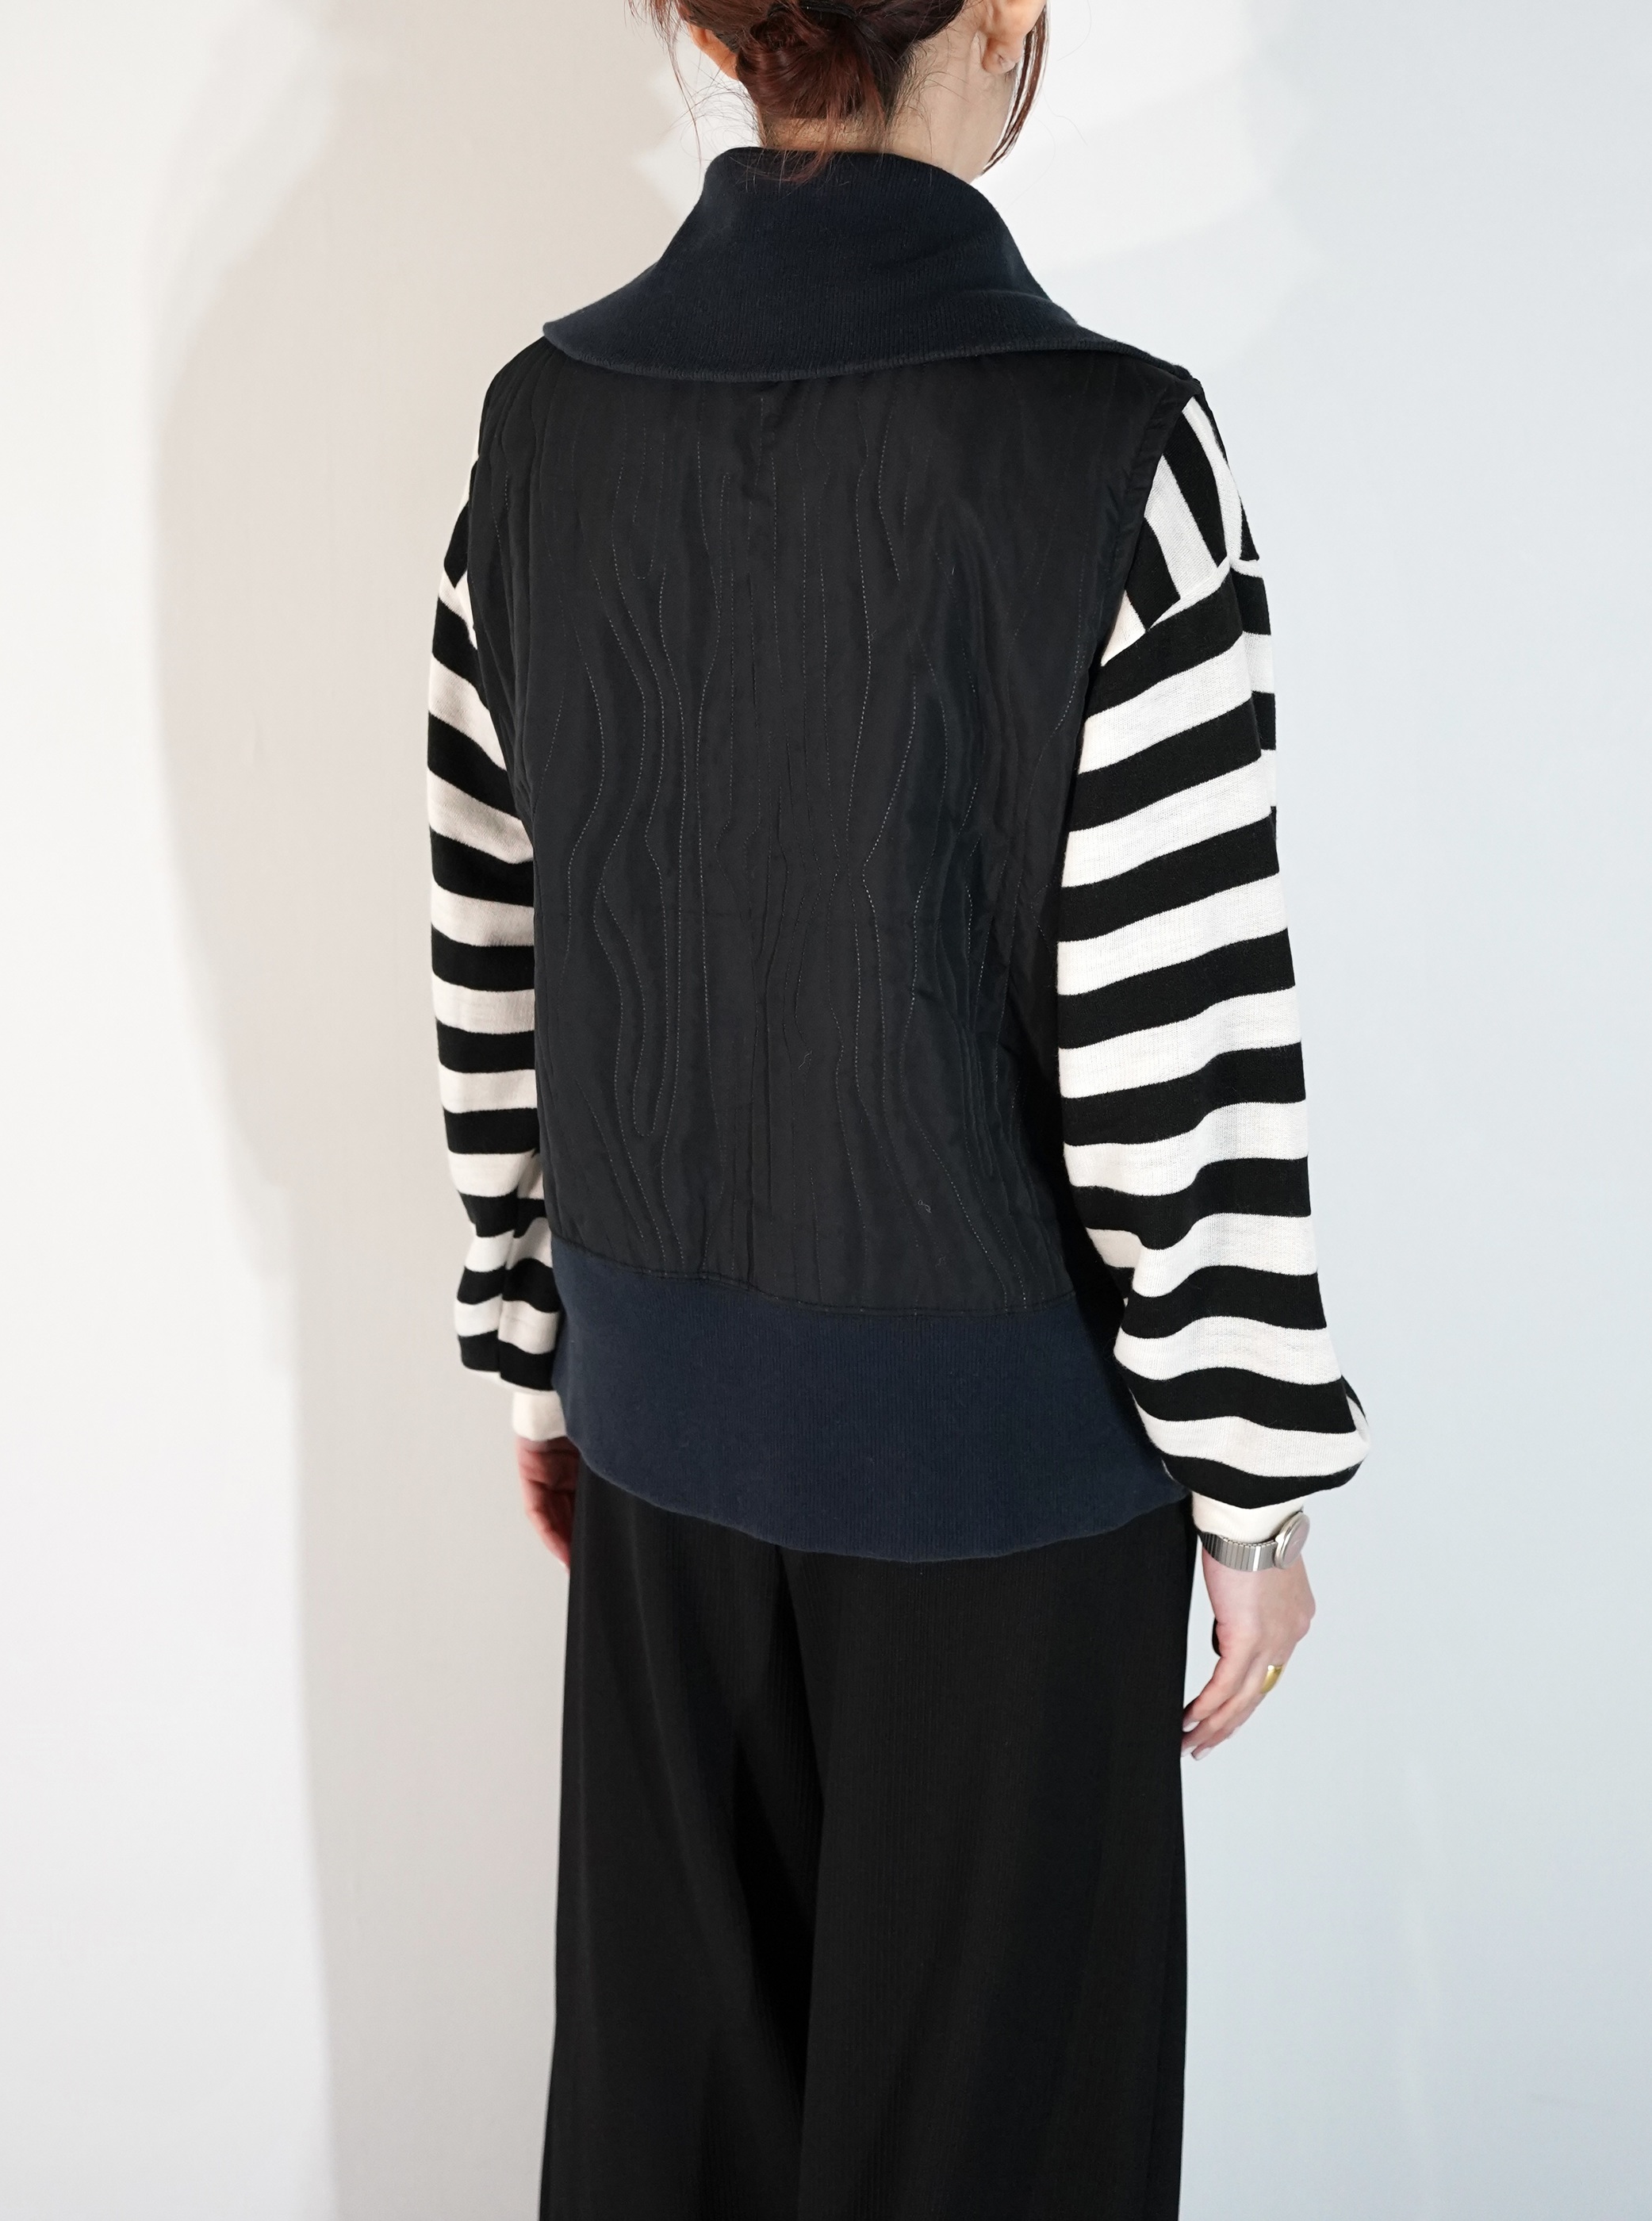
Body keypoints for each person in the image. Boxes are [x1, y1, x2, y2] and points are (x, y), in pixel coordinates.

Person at [426, 0, 1368, 2210]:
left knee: (671, 2155)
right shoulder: (1116, 451)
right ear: (1006, 13)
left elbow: (492, 951)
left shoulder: (540, 429)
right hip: (1006, 1506)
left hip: (663, 1461)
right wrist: (1253, 1492)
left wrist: (539, 1360)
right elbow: (1176, 1036)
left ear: (703, 21)